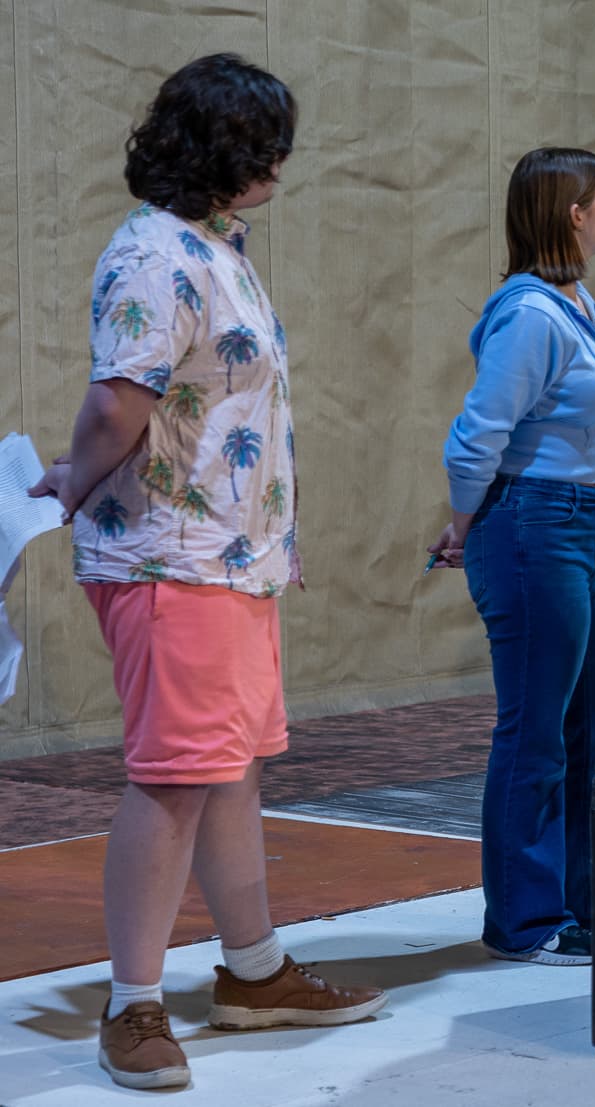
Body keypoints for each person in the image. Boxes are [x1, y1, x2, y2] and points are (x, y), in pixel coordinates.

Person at [28, 54, 384, 1092]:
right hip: (170, 560)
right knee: (177, 777)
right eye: (266, 146)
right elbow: (115, 407)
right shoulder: (152, 255)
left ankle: (255, 971)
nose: (280, 165)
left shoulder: (213, 246)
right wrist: (72, 481)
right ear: (224, 151)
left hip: (229, 559)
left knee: (228, 769)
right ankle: (132, 1002)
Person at [429, 147, 595, 966]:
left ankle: (584, 905)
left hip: (580, 521)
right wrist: (463, 520)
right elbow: (475, 438)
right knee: (536, 729)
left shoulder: (575, 301)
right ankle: (524, 919)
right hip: (533, 522)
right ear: (572, 214)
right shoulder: (530, 315)